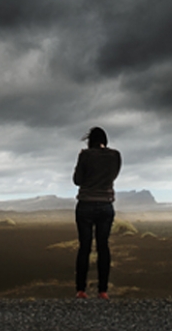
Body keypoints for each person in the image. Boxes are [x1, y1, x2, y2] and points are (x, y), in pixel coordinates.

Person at [72, 126, 121, 300]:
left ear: (90, 141)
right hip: (106, 205)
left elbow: (77, 180)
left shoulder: (85, 155)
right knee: (103, 246)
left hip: (86, 204)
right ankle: (103, 291)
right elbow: (113, 176)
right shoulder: (115, 155)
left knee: (84, 247)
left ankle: (81, 290)